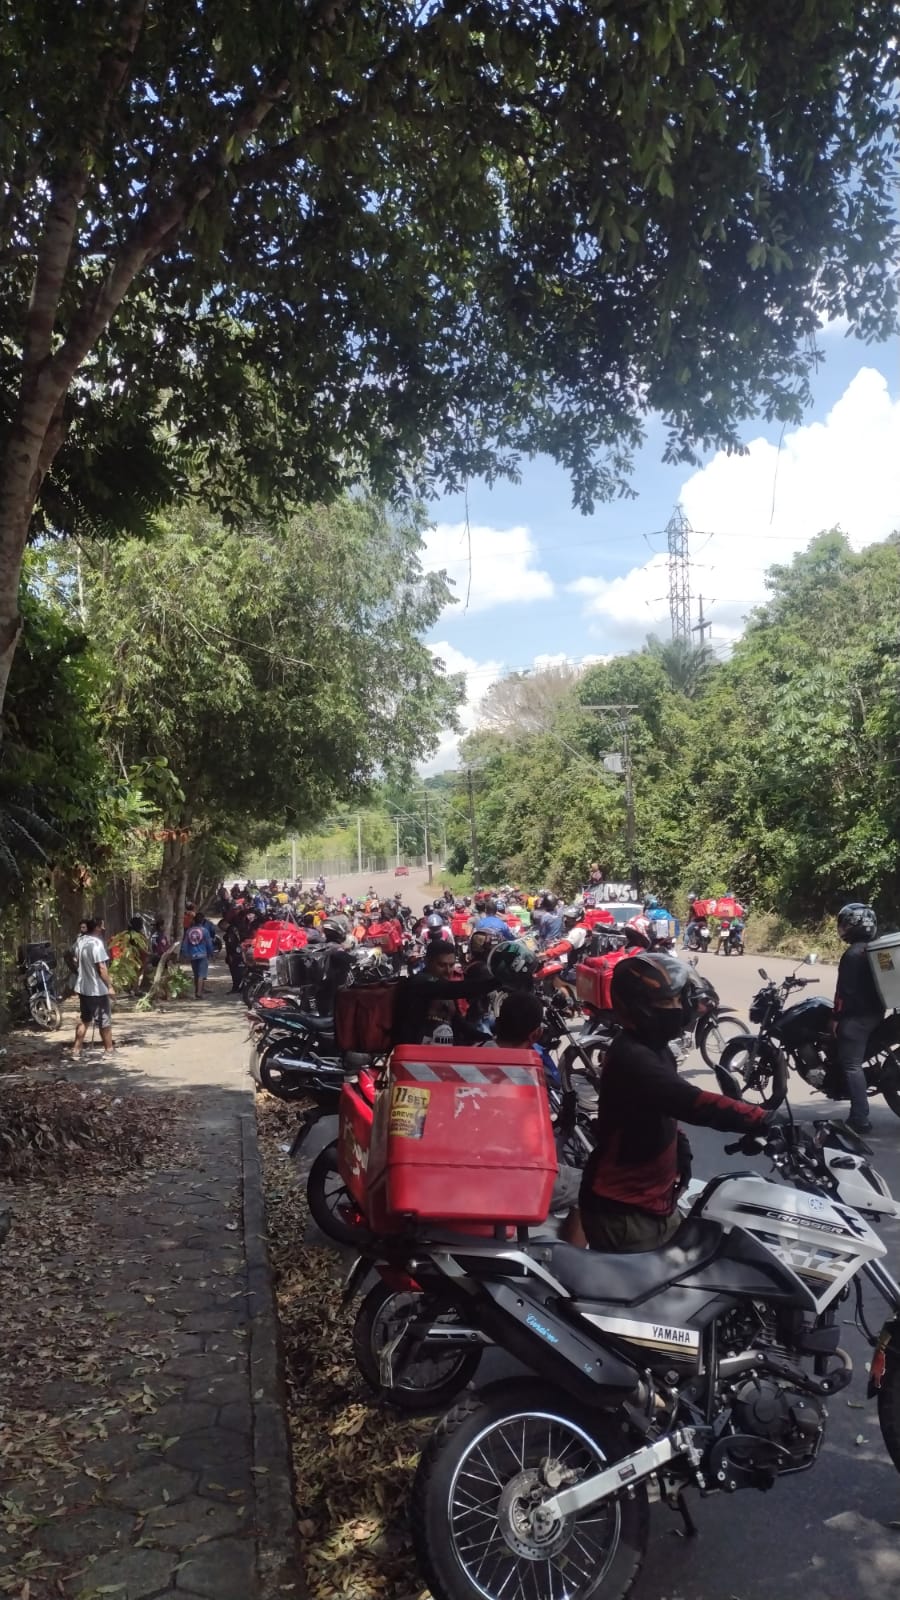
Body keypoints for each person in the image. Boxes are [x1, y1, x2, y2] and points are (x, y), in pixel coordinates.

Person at [579, 951, 770, 1252]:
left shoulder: (655, 1048)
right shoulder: (633, 1057)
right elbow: (688, 1101)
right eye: (668, 1002)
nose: (679, 1008)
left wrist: (681, 1148)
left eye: (679, 1000)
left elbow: (658, 1111)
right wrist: (761, 1118)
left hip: (652, 1203)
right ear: (640, 1008)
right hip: (624, 1211)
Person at [489, 991, 585, 1245]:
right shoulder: (528, 1075)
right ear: (536, 1034)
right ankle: (572, 1263)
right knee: (587, 1187)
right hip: (513, 1173)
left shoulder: (473, 1054)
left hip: (470, 1164)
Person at [833, 903, 882, 1134]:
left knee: (851, 1064)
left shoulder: (852, 954)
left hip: (859, 1017)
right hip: (876, 1013)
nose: (842, 929)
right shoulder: (874, 949)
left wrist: (836, 1018)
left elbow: (844, 992)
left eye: (844, 924)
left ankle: (860, 1118)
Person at [72, 917, 115, 1058]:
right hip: (96, 990)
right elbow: (101, 967)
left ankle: (76, 1050)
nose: (103, 929)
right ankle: (109, 1050)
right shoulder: (96, 944)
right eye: (101, 926)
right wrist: (109, 986)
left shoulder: (80, 941)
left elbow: (75, 961)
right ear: (96, 928)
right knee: (104, 1021)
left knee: (85, 1019)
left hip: (83, 988)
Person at [182, 912, 215, 998]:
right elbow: (209, 943)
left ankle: (197, 990)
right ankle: (199, 993)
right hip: (202, 954)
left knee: (196, 974)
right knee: (201, 975)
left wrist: (185, 954)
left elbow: (185, 943)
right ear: (202, 921)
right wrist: (211, 953)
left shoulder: (189, 931)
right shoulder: (205, 931)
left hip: (192, 955)